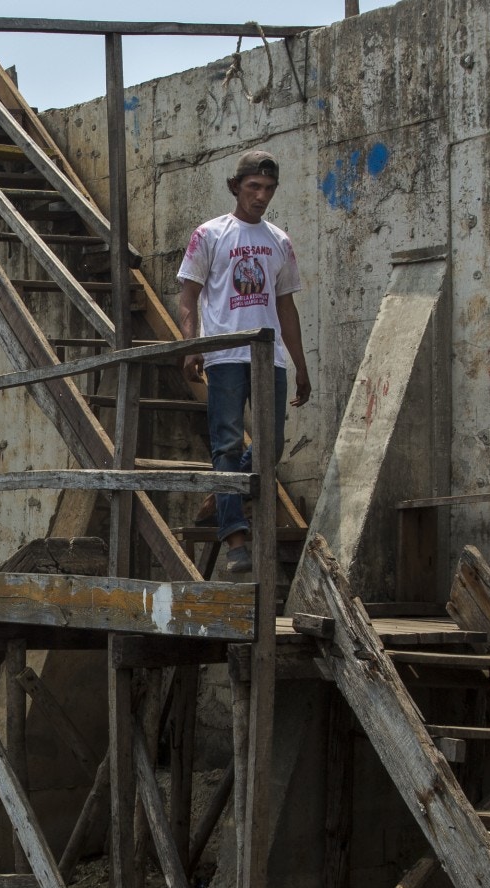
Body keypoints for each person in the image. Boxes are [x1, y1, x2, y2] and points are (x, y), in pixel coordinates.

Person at [176, 149, 312, 577]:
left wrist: (300, 366)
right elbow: (188, 296)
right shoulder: (210, 234)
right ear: (236, 187)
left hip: (268, 356)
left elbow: (286, 308)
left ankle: (220, 494)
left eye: (268, 189)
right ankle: (235, 538)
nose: (261, 196)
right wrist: (191, 344)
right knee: (227, 443)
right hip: (225, 354)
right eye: (253, 187)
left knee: (269, 445)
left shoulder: (279, 241)